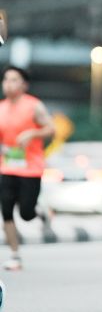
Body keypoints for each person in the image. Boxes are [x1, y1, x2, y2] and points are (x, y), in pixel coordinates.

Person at [0, 66, 55, 271]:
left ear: (24, 85)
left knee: (25, 212)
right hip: (7, 167)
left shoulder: (34, 106)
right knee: (6, 211)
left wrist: (32, 134)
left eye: (14, 80)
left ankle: (41, 213)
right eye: (6, 79)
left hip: (30, 169)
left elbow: (52, 129)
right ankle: (15, 256)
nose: (8, 84)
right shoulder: (1, 108)